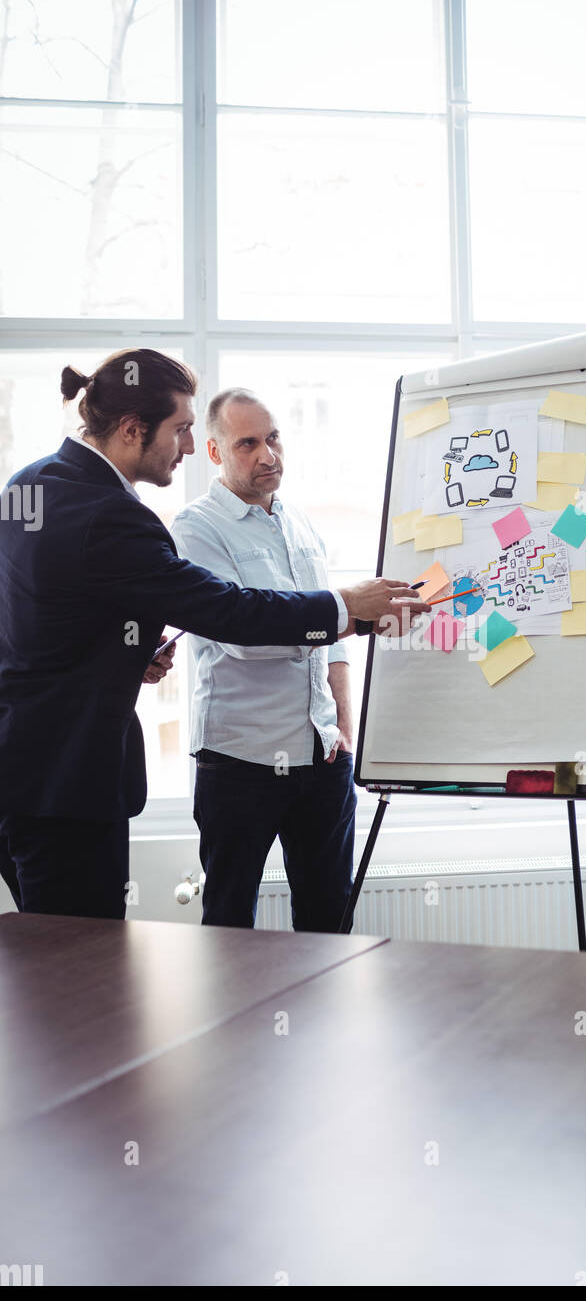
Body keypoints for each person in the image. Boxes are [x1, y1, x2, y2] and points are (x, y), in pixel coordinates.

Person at [0, 350, 427, 921]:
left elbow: (35, 623)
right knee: (82, 973)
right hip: (66, 782)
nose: (187, 446)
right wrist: (345, 605)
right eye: (180, 430)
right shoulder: (113, 515)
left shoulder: (30, 485)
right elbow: (228, 613)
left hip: (23, 769)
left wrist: (125, 653)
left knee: (51, 969)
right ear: (132, 430)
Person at [171, 389, 357, 932]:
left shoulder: (300, 523)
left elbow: (334, 637)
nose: (267, 455)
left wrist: (344, 726)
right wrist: (339, 615)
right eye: (247, 443)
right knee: (229, 925)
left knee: (329, 924)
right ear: (214, 452)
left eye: (273, 438)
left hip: (323, 757)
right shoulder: (195, 527)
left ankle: (325, 1021)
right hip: (240, 761)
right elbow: (243, 636)